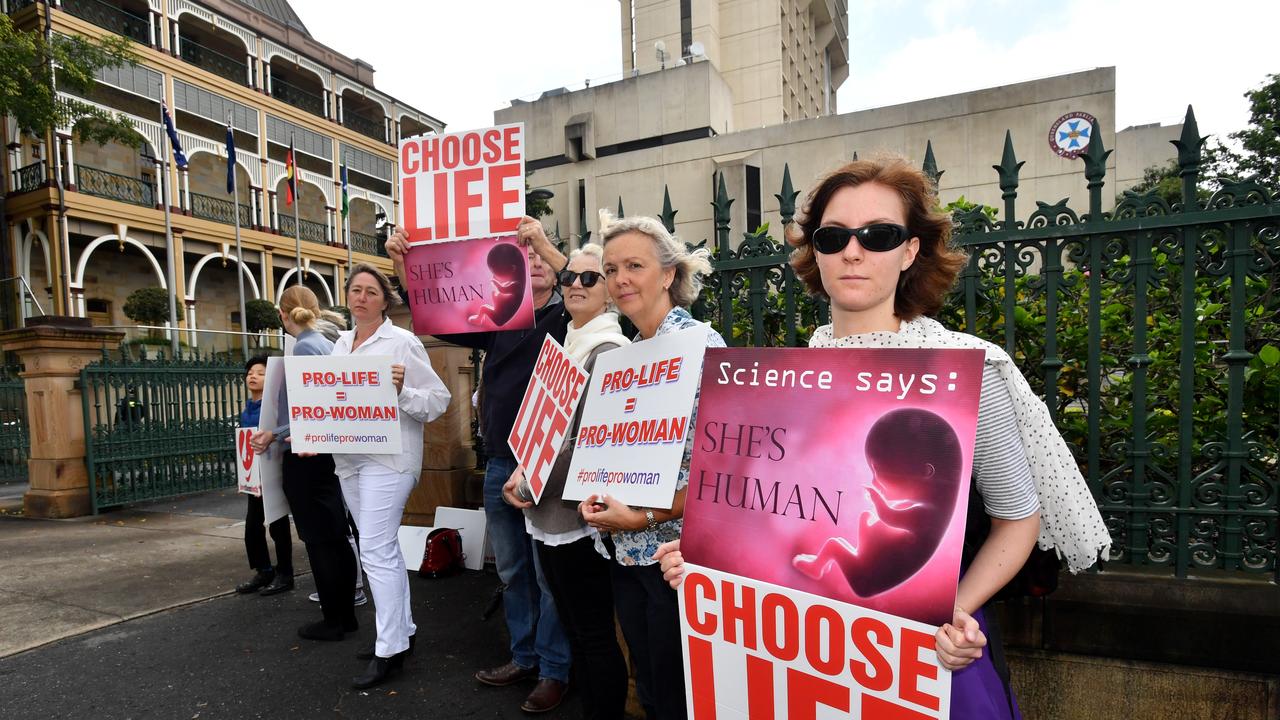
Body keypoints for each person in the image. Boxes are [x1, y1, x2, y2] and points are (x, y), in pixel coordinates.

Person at [656, 156, 1111, 719]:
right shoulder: (779, 378)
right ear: (815, 252)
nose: (853, 251)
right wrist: (705, 565)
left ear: (910, 251)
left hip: (920, 657)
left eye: (878, 235)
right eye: (833, 236)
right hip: (800, 656)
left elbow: (1018, 520)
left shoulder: (969, 369)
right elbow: (774, 521)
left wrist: (953, 613)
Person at [528, 212, 723, 720]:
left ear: (667, 275)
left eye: (633, 265)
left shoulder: (703, 346)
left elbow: (724, 472)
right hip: (622, 551)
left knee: (680, 695)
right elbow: (608, 450)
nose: (619, 279)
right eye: (611, 269)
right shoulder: (628, 356)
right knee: (652, 690)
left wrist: (647, 517)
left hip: (677, 559)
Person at [386, 225, 574, 714]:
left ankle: (555, 670)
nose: (531, 261)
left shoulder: (571, 316)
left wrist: (551, 250)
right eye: (522, 254)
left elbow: (589, 285)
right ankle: (523, 655)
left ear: (556, 267)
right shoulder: (499, 315)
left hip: (549, 466)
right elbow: (437, 316)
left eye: (540, 256)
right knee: (513, 570)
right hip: (499, 461)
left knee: (547, 572)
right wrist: (406, 266)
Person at [501, 239, 631, 720]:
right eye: (569, 277)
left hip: (577, 517)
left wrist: (528, 480)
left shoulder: (606, 350)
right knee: (577, 630)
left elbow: (587, 442)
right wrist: (521, 470)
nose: (575, 284)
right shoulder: (567, 343)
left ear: (610, 292)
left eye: (590, 278)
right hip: (547, 511)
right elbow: (543, 426)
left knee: (594, 635)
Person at [331, 263, 451, 690]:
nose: (362, 297)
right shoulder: (340, 344)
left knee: (376, 550)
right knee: (381, 550)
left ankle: (389, 649)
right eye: (355, 290)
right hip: (349, 460)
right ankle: (401, 631)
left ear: (385, 300)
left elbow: (438, 400)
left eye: (371, 291)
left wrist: (401, 392)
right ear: (347, 296)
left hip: (389, 459)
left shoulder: (402, 343)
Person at [249, 286, 358, 646]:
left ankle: (335, 619)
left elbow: (314, 409)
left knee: (319, 539)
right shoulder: (324, 343)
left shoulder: (307, 346)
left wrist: (274, 434)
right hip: (323, 453)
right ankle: (345, 616)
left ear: (282, 315)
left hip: (307, 455)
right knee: (333, 535)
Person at [234, 354, 293, 596]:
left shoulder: (275, 409)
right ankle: (263, 570)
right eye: (250, 373)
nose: (253, 377)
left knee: (277, 524)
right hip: (253, 477)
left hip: (273, 473)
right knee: (252, 526)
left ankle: (285, 573)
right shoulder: (247, 409)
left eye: (260, 372)